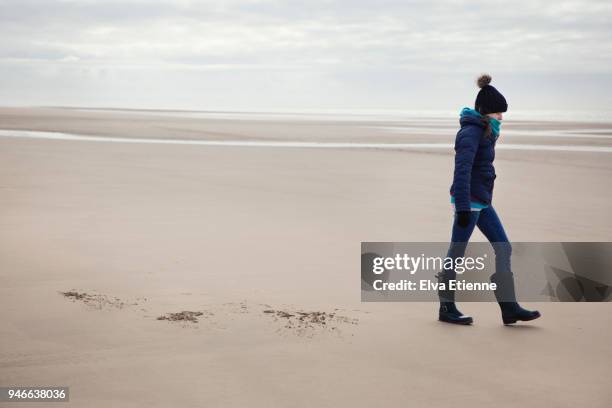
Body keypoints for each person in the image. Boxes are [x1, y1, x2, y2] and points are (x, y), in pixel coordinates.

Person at [438, 74, 541, 325]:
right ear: (486, 112)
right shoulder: (470, 133)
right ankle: (446, 308)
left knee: (503, 247)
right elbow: (461, 170)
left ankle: (509, 308)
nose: (501, 118)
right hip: (469, 202)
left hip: (482, 201)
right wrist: (462, 207)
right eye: (498, 113)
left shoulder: (485, 130)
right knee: (457, 253)